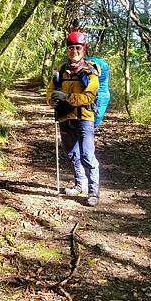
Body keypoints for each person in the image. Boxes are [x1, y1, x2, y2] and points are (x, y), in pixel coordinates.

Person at [46, 31, 100, 207]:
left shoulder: (90, 72)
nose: (74, 51)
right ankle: (79, 185)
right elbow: (50, 92)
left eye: (78, 48)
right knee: (72, 154)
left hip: (85, 118)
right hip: (65, 118)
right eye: (71, 48)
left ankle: (93, 192)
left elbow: (88, 97)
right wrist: (52, 100)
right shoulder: (60, 71)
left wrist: (66, 97)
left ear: (84, 49)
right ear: (67, 50)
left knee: (87, 155)